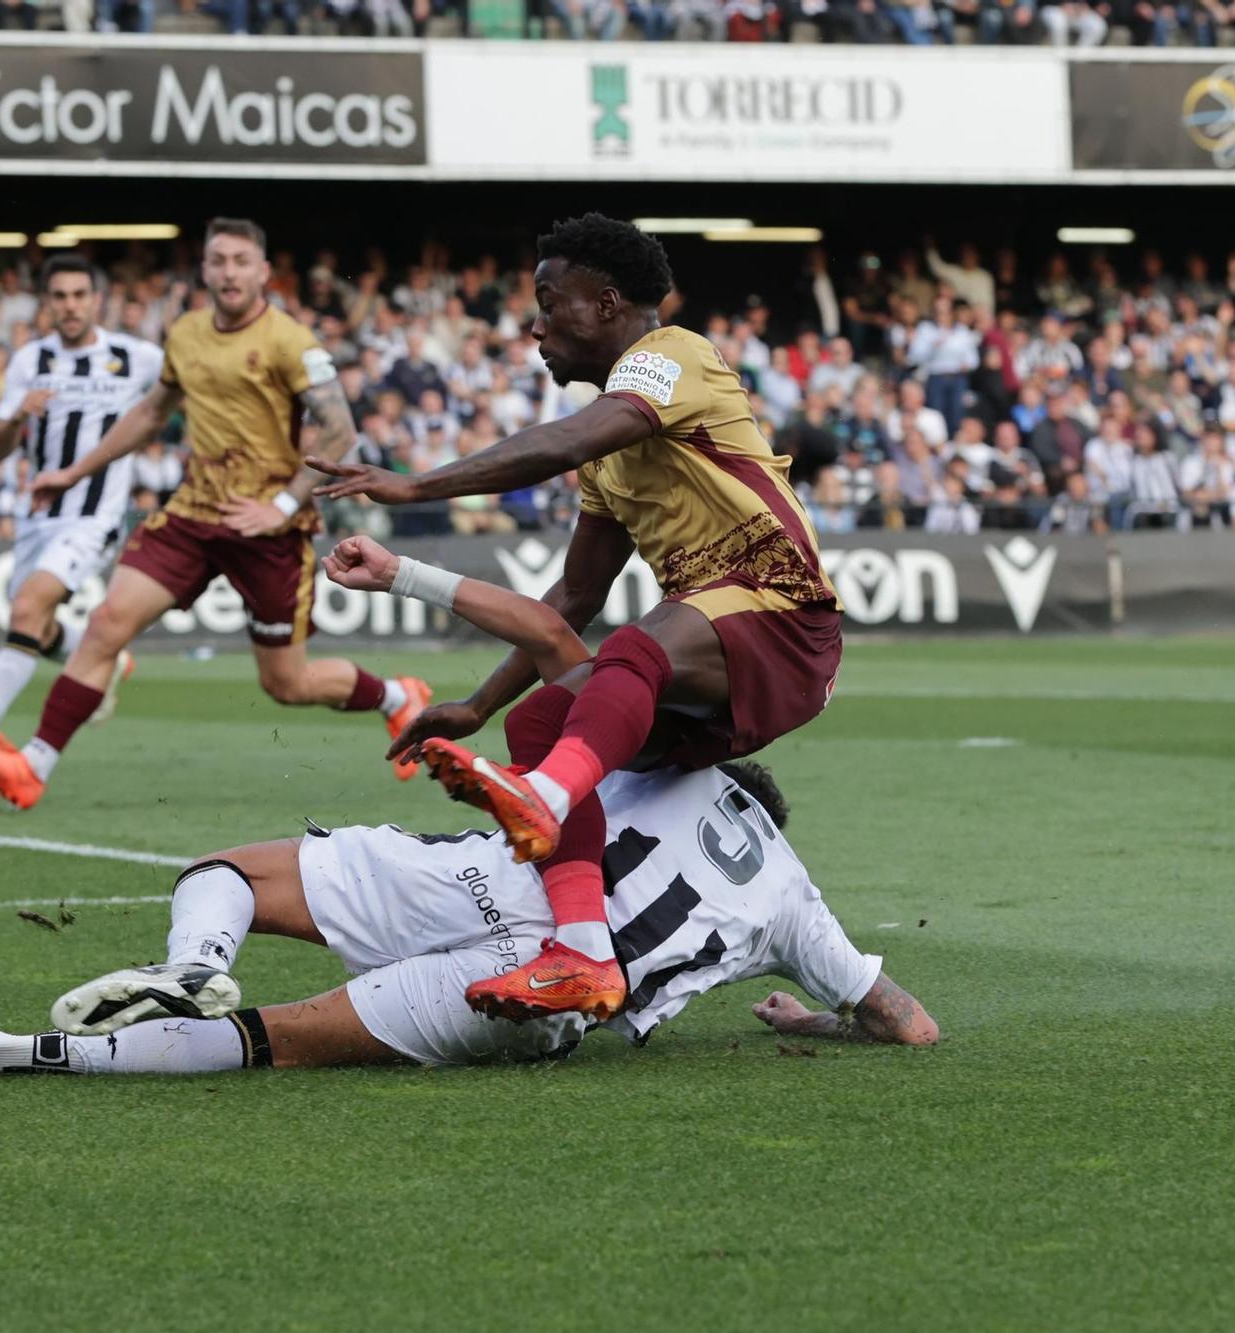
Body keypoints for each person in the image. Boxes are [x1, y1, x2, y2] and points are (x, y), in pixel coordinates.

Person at [0, 542, 933, 1080]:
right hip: (546, 1005)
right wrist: (816, 1016)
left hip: (487, 879)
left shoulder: (661, 750)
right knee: (275, 1043)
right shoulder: (792, 900)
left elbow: (550, 631)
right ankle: (15, 1051)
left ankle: (194, 958)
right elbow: (907, 1024)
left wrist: (406, 575)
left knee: (225, 875)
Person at [309, 214, 842, 1024]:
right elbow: (571, 601)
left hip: (781, 616)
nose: (536, 326)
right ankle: (585, 954)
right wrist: (479, 706)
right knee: (543, 722)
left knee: (636, 648)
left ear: (607, 301)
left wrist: (415, 487)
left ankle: (547, 801)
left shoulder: (673, 356)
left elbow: (572, 437)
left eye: (551, 304)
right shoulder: (606, 455)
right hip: (713, 662)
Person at [0, 219, 430, 810]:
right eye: (218, 260)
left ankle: (396, 697)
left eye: (240, 261)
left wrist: (280, 503)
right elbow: (151, 414)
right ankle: (33, 765)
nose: (228, 271)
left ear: (262, 272)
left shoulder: (290, 341)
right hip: (192, 516)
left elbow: (341, 429)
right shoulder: (185, 335)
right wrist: (74, 473)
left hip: (268, 532)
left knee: (286, 684)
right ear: (204, 269)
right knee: (105, 626)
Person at [0, 257, 161, 759]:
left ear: (96, 300)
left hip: (96, 515)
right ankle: (104, 656)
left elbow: (182, 393)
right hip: (38, 515)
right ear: (47, 303)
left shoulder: (138, 357)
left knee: (27, 607)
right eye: (60, 296)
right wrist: (16, 415)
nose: (70, 305)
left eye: (79, 294)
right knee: (35, 627)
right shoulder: (30, 361)